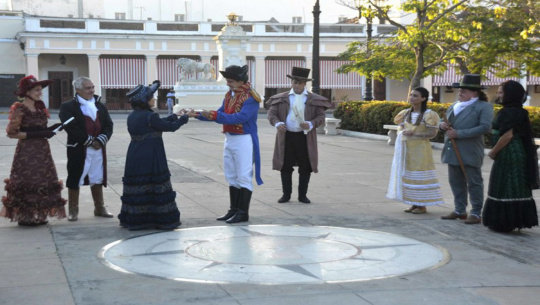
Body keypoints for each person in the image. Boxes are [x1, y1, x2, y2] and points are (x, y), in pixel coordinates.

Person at [118, 81, 196, 230]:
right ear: (144, 101)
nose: (154, 99)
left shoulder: (134, 115)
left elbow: (159, 123)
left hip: (135, 154)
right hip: (151, 154)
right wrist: (185, 118)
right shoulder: (149, 115)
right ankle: (159, 219)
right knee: (154, 183)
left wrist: (175, 115)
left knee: (139, 185)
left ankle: (138, 220)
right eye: (151, 97)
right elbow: (169, 127)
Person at [198, 64, 263, 224]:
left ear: (241, 81)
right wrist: (198, 114)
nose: (228, 83)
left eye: (231, 81)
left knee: (243, 176)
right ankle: (233, 210)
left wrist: (213, 115)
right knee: (231, 175)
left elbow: (239, 118)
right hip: (230, 137)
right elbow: (221, 113)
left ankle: (242, 213)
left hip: (244, 139)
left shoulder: (251, 98)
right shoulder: (230, 95)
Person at [1, 75, 66, 226]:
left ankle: (39, 214)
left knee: (42, 180)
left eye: (40, 90)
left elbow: (40, 129)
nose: (40, 93)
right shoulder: (20, 108)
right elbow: (12, 133)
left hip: (42, 151)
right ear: (27, 91)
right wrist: (38, 134)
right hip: (27, 152)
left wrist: (49, 129)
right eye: (37, 90)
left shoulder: (39, 108)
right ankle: (26, 216)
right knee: (28, 181)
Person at [267, 67, 332, 204]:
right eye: (295, 82)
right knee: (285, 165)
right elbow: (272, 114)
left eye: (300, 83)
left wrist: (311, 123)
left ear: (304, 84)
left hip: (305, 138)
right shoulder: (282, 98)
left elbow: (320, 116)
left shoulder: (312, 99)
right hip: (286, 136)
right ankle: (286, 194)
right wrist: (277, 123)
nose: (297, 85)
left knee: (305, 166)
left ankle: (302, 195)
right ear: (291, 82)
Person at [482, 80, 539, 232]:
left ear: (511, 94)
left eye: (501, 92)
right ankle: (511, 221)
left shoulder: (511, 112)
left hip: (509, 152)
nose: (498, 95)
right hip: (512, 152)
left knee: (506, 184)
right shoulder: (515, 110)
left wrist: (493, 151)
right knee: (512, 185)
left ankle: (505, 222)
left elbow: (508, 135)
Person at [440, 74, 494, 224]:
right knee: (455, 181)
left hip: (470, 150)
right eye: (459, 90)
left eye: (463, 91)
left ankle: (476, 212)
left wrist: (459, 133)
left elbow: (485, 127)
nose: (460, 93)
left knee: (474, 182)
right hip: (452, 149)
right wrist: (442, 125)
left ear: (474, 93)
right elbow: (442, 120)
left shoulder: (484, 107)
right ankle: (459, 209)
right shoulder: (454, 105)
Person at [59, 76, 114, 221]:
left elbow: (108, 125)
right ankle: (73, 210)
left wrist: (101, 140)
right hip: (78, 148)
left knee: (97, 176)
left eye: (92, 87)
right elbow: (70, 127)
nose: (91, 90)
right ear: (77, 90)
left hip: (98, 148)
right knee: (75, 176)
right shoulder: (68, 106)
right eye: (88, 88)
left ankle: (99, 208)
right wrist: (89, 141)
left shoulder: (100, 105)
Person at [387, 87, 444, 213]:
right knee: (408, 173)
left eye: (415, 96)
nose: (412, 98)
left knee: (419, 173)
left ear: (423, 98)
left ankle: (422, 204)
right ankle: (413, 202)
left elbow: (432, 133)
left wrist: (415, 135)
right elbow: (400, 126)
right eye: (411, 95)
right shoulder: (406, 113)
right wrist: (402, 130)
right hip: (406, 148)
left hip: (420, 149)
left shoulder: (429, 114)